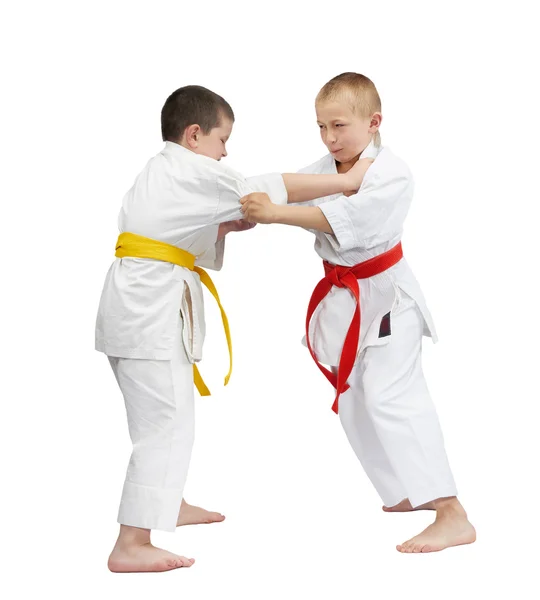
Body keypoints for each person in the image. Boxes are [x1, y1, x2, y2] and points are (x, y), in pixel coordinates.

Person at [95, 84, 369, 572]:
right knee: (165, 425)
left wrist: (217, 227)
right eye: (223, 140)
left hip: (137, 308)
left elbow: (167, 230)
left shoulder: (165, 172)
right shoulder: (191, 167)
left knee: (163, 420)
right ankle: (130, 544)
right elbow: (264, 188)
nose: (226, 152)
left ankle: (164, 505)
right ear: (195, 134)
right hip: (147, 315)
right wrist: (346, 184)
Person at [241, 72, 476, 553]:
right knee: (354, 401)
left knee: (393, 396)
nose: (330, 138)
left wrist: (275, 213)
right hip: (348, 302)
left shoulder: (392, 172)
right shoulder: (330, 164)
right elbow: (288, 188)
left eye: (339, 126)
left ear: (374, 122)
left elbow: (341, 218)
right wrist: (240, 209)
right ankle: (405, 492)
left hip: (387, 299)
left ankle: (451, 512)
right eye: (321, 127)